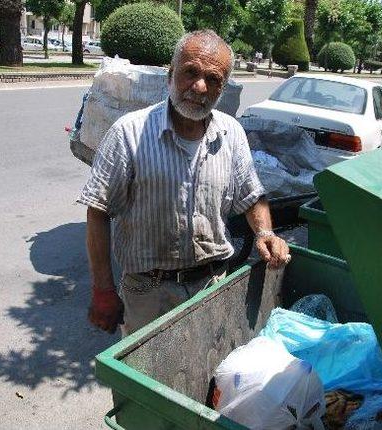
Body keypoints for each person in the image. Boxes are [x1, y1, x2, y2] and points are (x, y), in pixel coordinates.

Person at [79, 30, 290, 335]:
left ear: (222, 88)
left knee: (207, 375)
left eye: (213, 79)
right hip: (148, 292)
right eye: (190, 72)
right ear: (171, 74)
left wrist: (265, 232)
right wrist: (102, 290)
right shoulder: (128, 133)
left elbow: (252, 195)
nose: (200, 86)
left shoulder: (231, 133)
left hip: (212, 286)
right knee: (143, 381)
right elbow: (97, 211)